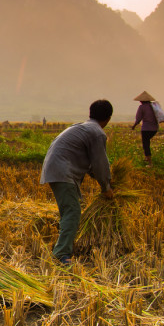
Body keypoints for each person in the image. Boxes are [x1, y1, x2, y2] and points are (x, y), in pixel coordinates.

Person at [40, 100, 114, 265]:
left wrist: (105, 180)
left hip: (56, 169)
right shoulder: (97, 133)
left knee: (69, 211)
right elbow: (100, 164)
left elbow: (90, 165)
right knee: (72, 211)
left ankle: (63, 246)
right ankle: (61, 254)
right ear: (108, 118)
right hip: (62, 171)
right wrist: (106, 187)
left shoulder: (83, 127)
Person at [131, 91, 159, 166]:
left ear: (142, 101)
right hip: (155, 129)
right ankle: (147, 157)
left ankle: (150, 163)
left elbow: (138, 119)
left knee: (146, 145)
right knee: (148, 142)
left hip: (146, 129)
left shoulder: (142, 107)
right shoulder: (154, 106)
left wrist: (134, 126)